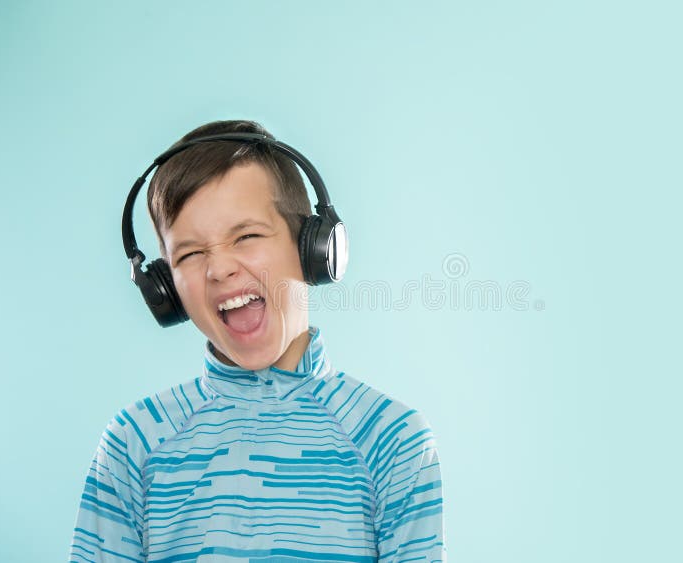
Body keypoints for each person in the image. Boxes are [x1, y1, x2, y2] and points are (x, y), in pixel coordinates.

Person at [68, 120, 446, 562]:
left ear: (314, 248)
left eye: (246, 236)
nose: (219, 268)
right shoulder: (134, 443)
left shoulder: (391, 440)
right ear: (165, 288)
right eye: (190, 254)